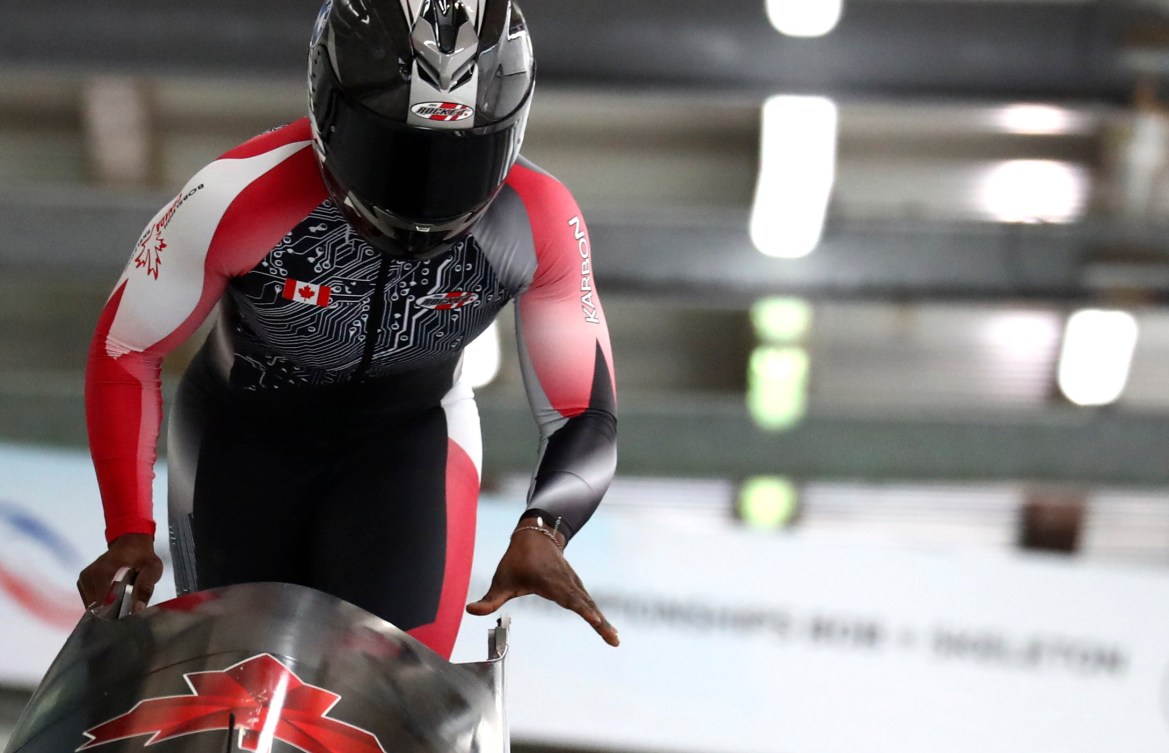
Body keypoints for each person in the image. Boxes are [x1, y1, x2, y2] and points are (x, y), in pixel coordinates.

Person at [75, 0, 619, 659]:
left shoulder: (543, 221)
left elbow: (584, 410)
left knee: (394, 682)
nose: (422, 203)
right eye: (391, 153)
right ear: (327, 113)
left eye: (460, 160)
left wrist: (546, 526)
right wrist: (127, 528)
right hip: (240, 447)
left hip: (406, 448)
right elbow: (127, 349)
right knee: (231, 680)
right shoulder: (232, 198)